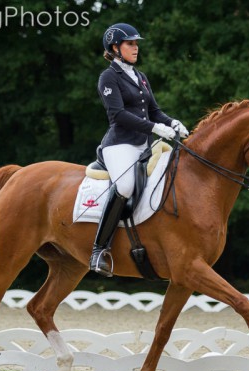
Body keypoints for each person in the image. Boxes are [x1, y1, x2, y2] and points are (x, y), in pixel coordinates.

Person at [90, 23, 189, 277]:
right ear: (115, 48)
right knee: (124, 187)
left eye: (136, 44)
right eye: (130, 44)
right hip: (120, 145)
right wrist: (156, 128)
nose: (136, 48)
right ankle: (99, 250)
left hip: (144, 145)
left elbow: (154, 110)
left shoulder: (140, 76)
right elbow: (118, 114)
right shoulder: (108, 77)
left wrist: (171, 122)